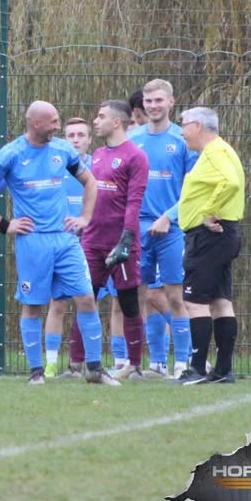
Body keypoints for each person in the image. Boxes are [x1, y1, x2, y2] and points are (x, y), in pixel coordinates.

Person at [0, 100, 119, 386]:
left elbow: (90, 182)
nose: (57, 126)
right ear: (35, 123)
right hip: (32, 242)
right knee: (33, 305)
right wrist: (4, 224)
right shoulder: (11, 154)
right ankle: (36, 372)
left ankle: (95, 369)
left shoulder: (62, 150)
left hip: (65, 240)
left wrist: (85, 217)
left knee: (87, 298)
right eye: (53, 121)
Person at [70, 101, 149, 381]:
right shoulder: (99, 154)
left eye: (101, 116)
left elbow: (134, 201)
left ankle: (135, 365)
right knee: (84, 297)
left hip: (121, 242)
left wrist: (126, 238)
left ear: (117, 122)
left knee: (128, 301)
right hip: (92, 240)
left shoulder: (135, 156)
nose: (96, 121)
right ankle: (76, 364)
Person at [129, 79, 198, 378]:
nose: (153, 106)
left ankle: (183, 362)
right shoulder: (133, 139)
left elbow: (194, 189)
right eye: (148, 101)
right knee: (138, 296)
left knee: (174, 297)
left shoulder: (182, 140)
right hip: (137, 229)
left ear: (171, 102)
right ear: (142, 104)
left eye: (159, 100)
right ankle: (151, 363)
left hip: (171, 228)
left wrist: (169, 217)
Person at [175, 107, 245, 385]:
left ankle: (197, 369)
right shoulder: (220, 151)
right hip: (222, 234)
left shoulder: (216, 153)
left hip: (209, 235)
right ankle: (223, 370)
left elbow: (230, 182)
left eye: (183, 125)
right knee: (219, 301)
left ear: (197, 126)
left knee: (194, 301)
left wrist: (207, 210)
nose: (181, 132)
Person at [43, 117, 91, 378]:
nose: (75, 140)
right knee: (58, 303)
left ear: (89, 139)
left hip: (92, 242)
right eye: (70, 135)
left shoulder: (96, 167)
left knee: (90, 302)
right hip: (60, 242)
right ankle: (50, 364)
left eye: (81, 135)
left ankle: (98, 363)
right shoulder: (56, 166)